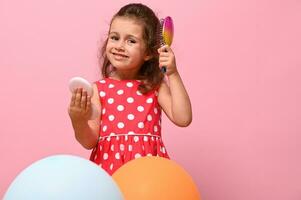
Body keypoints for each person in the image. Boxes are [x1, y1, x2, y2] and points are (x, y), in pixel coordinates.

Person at [68, 3, 192, 175]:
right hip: (109, 171)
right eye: (114, 37)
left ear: (148, 52)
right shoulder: (99, 89)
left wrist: (173, 73)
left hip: (148, 174)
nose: (119, 46)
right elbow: (89, 142)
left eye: (131, 41)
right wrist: (78, 119)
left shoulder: (154, 86)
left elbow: (183, 118)